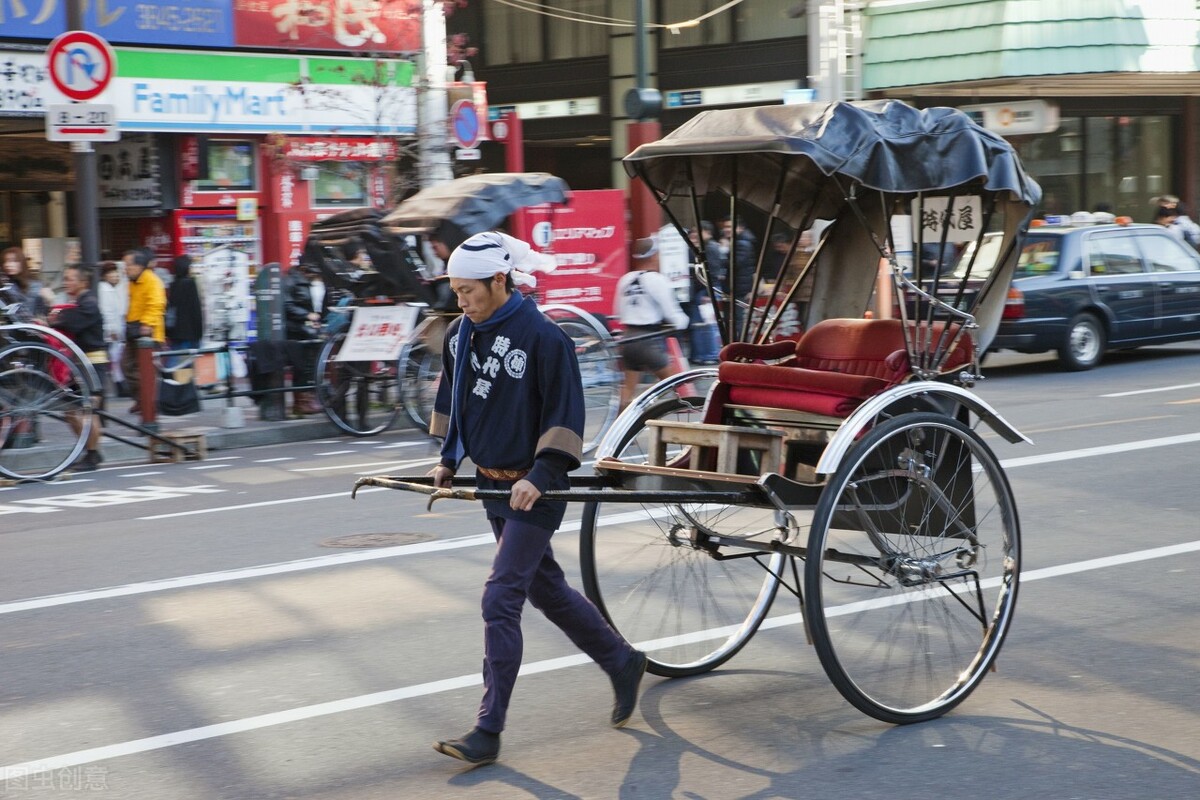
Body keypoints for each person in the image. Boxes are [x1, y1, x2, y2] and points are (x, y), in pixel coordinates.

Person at [428, 231, 646, 768]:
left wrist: (543, 473)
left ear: (499, 281)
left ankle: (488, 730)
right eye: (455, 292)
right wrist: (448, 461)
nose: (461, 302)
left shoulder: (546, 338)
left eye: (469, 291)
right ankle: (621, 661)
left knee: (500, 598)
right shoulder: (461, 334)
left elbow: (565, 416)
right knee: (545, 589)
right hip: (493, 483)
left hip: (535, 487)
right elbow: (453, 399)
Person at [614, 235, 690, 410]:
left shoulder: (625, 280)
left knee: (628, 388)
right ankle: (644, 406)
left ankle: (620, 431)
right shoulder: (657, 279)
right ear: (654, 256)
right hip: (648, 340)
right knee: (674, 382)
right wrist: (684, 322)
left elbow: (618, 312)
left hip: (628, 339)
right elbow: (673, 315)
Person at [47, 264, 108, 471]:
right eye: (65, 278)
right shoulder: (77, 303)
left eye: (71, 279)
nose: (66, 282)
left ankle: (92, 454)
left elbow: (72, 323)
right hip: (78, 364)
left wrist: (54, 319)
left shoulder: (89, 303)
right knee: (71, 411)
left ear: (83, 282)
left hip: (92, 363)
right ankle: (91, 451)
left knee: (88, 411)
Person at [122, 248, 167, 414]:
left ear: (140, 266)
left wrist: (147, 324)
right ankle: (142, 399)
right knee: (127, 366)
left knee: (146, 370)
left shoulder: (152, 281)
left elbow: (156, 304)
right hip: (133, 328)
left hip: (148, 331)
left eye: (128, 265)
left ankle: (148, 404)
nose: (125, 268)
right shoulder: (132, 282)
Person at [282, 261, 324, 416]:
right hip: (296, 330)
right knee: (302, 366)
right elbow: (287, 305)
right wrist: (307, 315)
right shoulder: (291, 281)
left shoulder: (303, 281)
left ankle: (307, 398)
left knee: (309, 365)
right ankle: (302, 401)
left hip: (304, 328)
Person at [97, 261, 128, 397]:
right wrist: (111, 330)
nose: (115, 275)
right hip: (112, 331)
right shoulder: (104, 289)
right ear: (104, 275)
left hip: (117, 330)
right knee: (114, 359)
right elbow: (107, 311)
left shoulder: (115, 288)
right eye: (111, 273)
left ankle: (120, 385)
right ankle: (120, 386)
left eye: (116, 273)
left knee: (116, 359)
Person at [2, 246, 55, 323]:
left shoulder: (35, 284)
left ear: (22, 263)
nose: (7, 265)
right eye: (5, 261)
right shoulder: (7, 286)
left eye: (13, 261)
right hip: (17, 328)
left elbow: (44, 311)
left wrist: (49, 301)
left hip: (34, 328)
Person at [166, 255, 204, 351]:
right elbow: (195, 309)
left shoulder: (173, 284)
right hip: (190, 333)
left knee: (176, 359)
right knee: (189, 363)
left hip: (175, 332)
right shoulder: (190, 283)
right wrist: (199, 332)